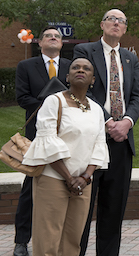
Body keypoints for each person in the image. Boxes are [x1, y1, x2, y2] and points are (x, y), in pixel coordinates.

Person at [21, 58, 109, 255]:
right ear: (67, 76)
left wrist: (85, 177)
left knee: (72, 240)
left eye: (86, 69)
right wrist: (69, 178)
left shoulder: (96, 109)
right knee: (47, 241)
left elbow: (99, 145)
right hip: (53, 179)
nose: (80, 70)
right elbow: (47, 141)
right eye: (75, 67)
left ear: (92, 79)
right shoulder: (54, 102)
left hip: (83, 184)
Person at [76, 9, 139, 256]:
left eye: (122, 21)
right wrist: (108, 122)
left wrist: (127, 121)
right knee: (82, 208)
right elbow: (83, 90)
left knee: (113, 209)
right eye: (111, 19)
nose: (116, 23)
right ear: (102, 24)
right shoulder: (85, 52)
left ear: (125, 29)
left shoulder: (130, 58)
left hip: (121, 144)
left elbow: (136, 96)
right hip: (92, 140)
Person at [14, 27, 71, 256]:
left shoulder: (72, 65)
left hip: (66, 135)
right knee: (31, 188)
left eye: (57, 36)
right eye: (49, 36)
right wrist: (52, 106)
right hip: (36, 136)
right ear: (40, 42)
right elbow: (22, 98)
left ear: (62, 42)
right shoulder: (26, 66)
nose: (53, 38)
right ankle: (21, 241)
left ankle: (62, 241)